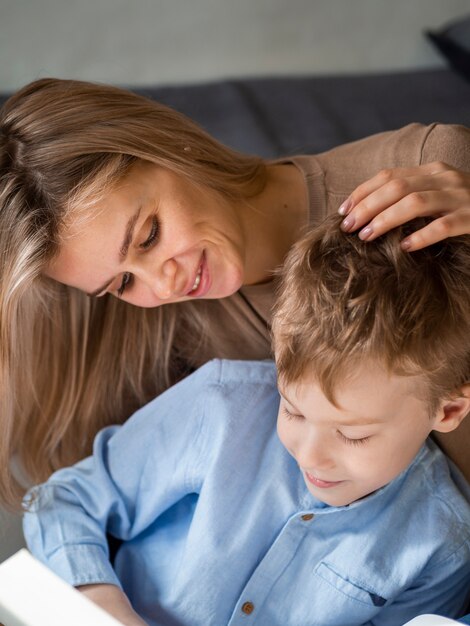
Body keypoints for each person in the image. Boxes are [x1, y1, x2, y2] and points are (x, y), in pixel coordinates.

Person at [1, 78, 470, 507]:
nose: (166, 285)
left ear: (169, 148)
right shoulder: (173, 333)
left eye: (149, 236)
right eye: (122, 283)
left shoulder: (431, 173)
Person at [23, 215, 470, 626]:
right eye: (292, 409)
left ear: (448, 410)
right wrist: (107, 611)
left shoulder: (442, 545)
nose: (309, 454)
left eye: (353, 435)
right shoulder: (222, 406)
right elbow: (64, 502)